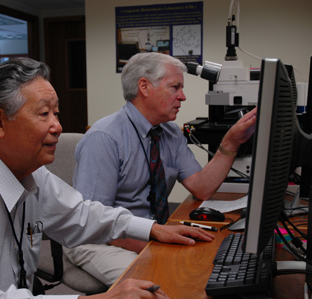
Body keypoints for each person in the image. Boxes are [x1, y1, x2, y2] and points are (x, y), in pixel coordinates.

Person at [0, 57, 215, 299]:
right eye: (44, 114)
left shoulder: (32, 176)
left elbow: (82, 214)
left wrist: (154, 229)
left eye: (56, 113)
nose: (57, 126)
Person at [64, 52, 257, 286]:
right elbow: (95, 223)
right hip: (99, 240)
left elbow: (202, 187)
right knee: (166, 282)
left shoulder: (170, 133)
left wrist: (230, 143)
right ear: (144, 87)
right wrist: (156, 242)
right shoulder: (104, 138)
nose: (183, 96)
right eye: (175, 87)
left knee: (201, 266)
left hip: (148, 231)